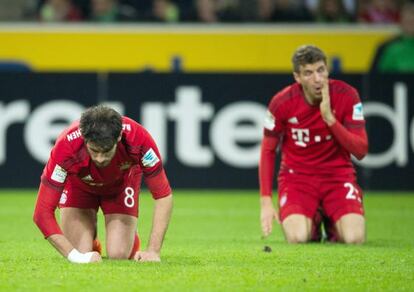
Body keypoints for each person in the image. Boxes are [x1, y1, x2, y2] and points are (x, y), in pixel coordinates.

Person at [33, 105, 173, 263]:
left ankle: (129, 236)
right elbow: (41, 213)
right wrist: (77, 257)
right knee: (80, 249)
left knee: (118, 254)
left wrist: (153, 251)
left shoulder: (138, 139)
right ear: (84, 138)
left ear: (119, 136)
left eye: (106, 151)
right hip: (78, 186)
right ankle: (91, 240)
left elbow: (163, 195)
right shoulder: (66, 146)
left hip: (121, 185)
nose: (100, 159)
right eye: (94, 150)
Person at [259, 45, 368, 244]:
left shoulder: (347, 95)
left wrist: (330, 120)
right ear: (297, 77)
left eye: (321, 70)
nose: (317, 79)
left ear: (327, 70)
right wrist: (266, 201)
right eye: (308, 73)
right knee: (297, 237)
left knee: (355, 239)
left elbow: (361, 150)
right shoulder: (282, 102)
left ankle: (333, 223)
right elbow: (267, 150)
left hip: (338, 177)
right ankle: (315, 222)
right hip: (297, 180)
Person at [370, 2, 414, 73]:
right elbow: (373, 78)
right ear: (401, 20)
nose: (410, 19)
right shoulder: (386, 47)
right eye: (407, 18)